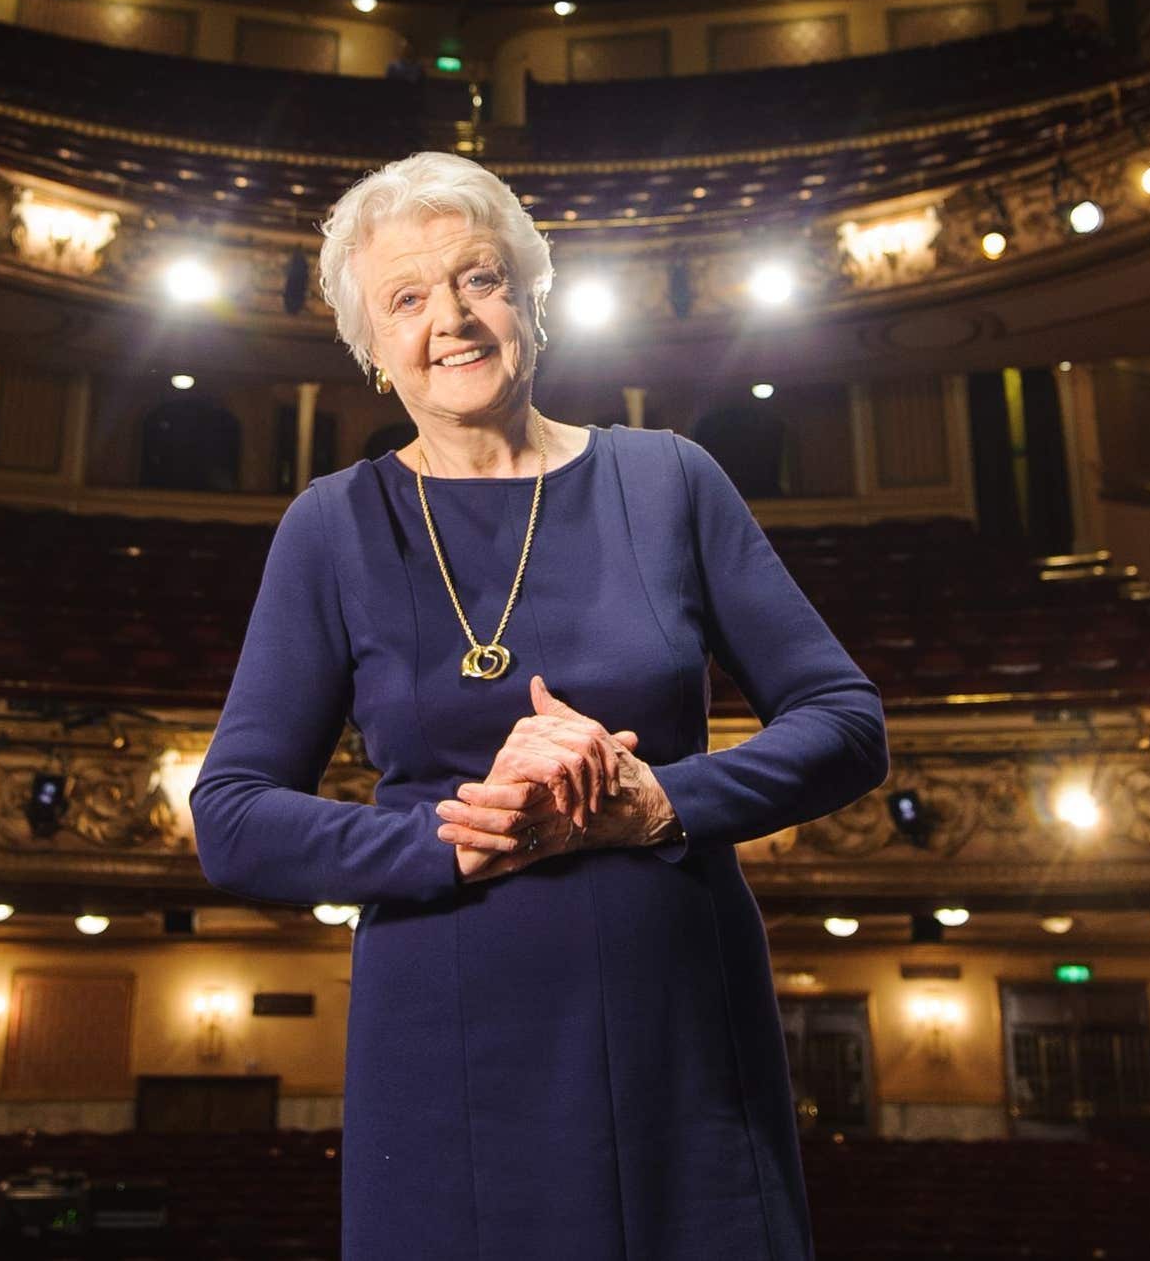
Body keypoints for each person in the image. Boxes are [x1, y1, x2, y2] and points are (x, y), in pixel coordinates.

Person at [188, 150, 890, 1260]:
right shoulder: (331, 525)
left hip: (677, 1020)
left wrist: (655, 800)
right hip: (445, 1029)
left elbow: (846, 720)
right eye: (405, 299)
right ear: (372, 348)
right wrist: (455, 840)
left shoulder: (668, 479)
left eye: (479, 278)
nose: (450, 319)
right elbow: (228, 817)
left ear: (531, 299)